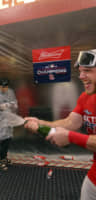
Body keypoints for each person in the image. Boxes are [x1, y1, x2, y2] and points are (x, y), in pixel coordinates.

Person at [24, 49, 96, 200]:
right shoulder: (86, 97)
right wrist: (41, 122)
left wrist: (70, 137)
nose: (82, 76)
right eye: (81, 71)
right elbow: (71, 122)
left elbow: (70, 132)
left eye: (88, 71)